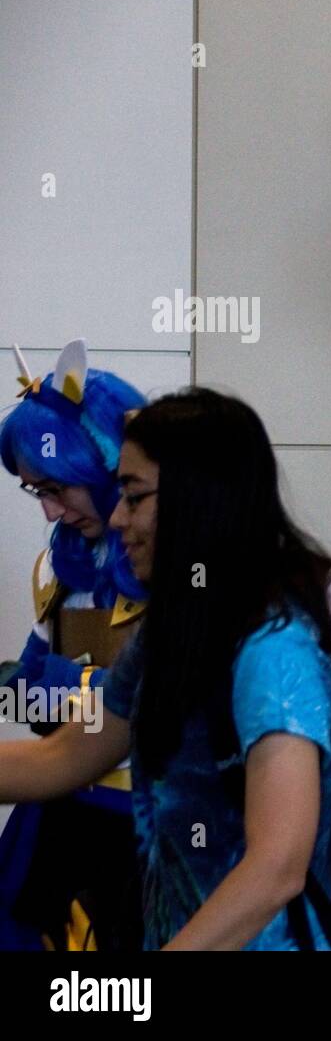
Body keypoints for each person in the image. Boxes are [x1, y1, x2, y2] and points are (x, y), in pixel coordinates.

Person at [0, 387, 331, 949]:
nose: (115, 517)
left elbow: (276, 869)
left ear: (197, 499)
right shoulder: (173, 633)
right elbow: (62, 756)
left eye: (133, 496)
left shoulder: (273, 650)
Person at [0, 339, 147, 950]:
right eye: (37, 492)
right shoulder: (57, 573)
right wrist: (34, 692)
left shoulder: (184, 577)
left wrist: (61, 688)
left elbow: (150, 710)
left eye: (59, 487)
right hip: (62, 806)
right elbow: (24, 701)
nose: (53, 512)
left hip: (153, 828)